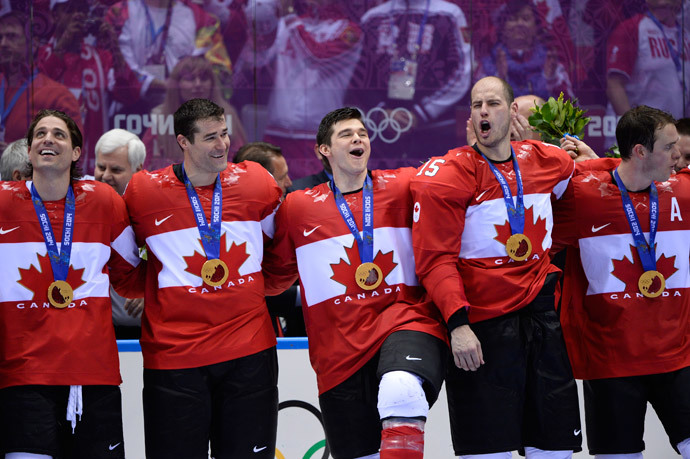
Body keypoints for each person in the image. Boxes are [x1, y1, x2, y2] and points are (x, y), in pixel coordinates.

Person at [410, 76, 585, 458]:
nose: (483, 111)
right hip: (483, 329)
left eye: (492, 103)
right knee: (488, 452)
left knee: (554, 448)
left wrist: (589, 157)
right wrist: (458, 326)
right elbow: (434, 259)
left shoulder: (547, 160)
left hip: (542, 323)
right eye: (476, 105)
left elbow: (582, 190)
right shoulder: (451, 174)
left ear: (512, 111)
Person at [264, 107, 448, 458]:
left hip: (403, 320)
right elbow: (275, 277)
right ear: (324, 150)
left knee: (401, 388)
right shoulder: (298, 207)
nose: (358, 138)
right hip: (338, 350)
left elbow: (461, 182)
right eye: (346, 134)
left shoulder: (405, 184)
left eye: (362, 133)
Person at [123, 98, 282, 459]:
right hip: (175, 359)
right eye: (210, 137)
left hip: (249, 352)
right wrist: (154, 289)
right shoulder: (143, 192)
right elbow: (122, 266)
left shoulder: (257, 182)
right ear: (183, 142)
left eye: (224, 134)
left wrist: (255, 290)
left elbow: (282, 253)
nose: (222, 145)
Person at [0, 109, 144, 458]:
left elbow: (130, 276)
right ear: (30, 150)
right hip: (23, 376)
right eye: (41, 134)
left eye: (59, 134)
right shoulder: (2, 201)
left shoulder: (104, 202)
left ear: (77, 152)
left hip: (93, 374)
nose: (48, 139)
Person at [553, 105, 690, 459]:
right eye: (669, 147)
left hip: (677, 357)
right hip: (610, 361)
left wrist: (597, 161)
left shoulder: (684, 193)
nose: (678, 156)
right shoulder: (581, 198)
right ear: (640, 151)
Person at [347, 0, 471, 165]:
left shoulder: (450, 14)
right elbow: (358, 76)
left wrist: (421, 112)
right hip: (383, 133)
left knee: (433, 189)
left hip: (435, 132)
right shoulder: (372, 18)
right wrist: (383, 112)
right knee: (385, 189)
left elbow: (462, 72)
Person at [141, 55, 247, 170]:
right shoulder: (161, 118)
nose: (198, 84)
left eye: (203, 78)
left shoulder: (227, 116)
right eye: (190, 79)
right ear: (177, 85)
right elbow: (144, 166)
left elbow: (240, 163)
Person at [0, 11, 82, 152]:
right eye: (0, 37)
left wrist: (18, 157)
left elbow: (72, 152)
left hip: (28, 173)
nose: (3, 44)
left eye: (11, 36)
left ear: (33, 43)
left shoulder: (58, 96)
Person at [94, 128, 147, 339]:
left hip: (143, 332)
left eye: (116, 169)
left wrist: (150, 292)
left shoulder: (154, 213)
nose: (105, 176)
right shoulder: (77, 208)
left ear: (138, 170)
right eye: (100, 167)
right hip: (93, 331)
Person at [606, 0, 689, 119]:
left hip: (676, 131)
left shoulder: (685, 36)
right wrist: (633, 131)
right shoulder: (632, 28)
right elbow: (615, 85)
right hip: (641, 131)